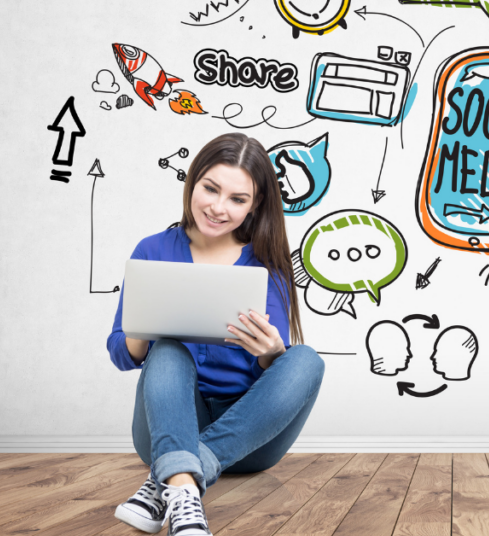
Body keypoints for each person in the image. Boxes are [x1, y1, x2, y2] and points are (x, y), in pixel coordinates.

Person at [106, 133, 325, 536]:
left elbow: (273, 381)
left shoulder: (267, 265)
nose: (218, 208)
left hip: (248, 438)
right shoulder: (153, 250)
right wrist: (144, 329)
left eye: (237, 199)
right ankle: (183, 483)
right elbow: (121, 353)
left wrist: (271, 353)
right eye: (210, 188)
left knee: (305, 359)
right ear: (193, 181)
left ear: (253, 205)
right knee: (168, 348)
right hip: (167, 425)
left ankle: (170, 480)